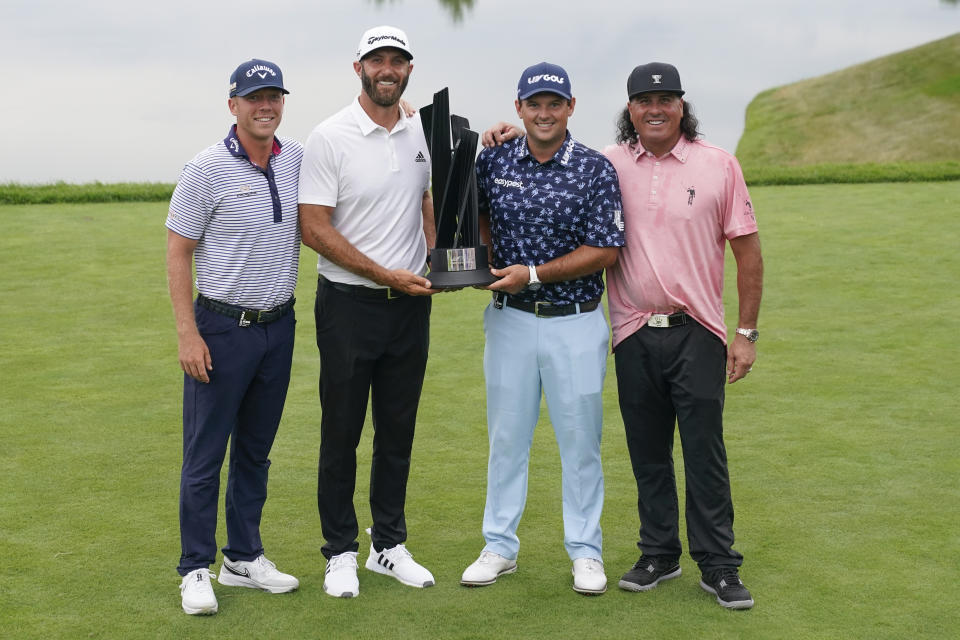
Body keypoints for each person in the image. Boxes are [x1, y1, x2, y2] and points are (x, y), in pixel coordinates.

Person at [460, 62, 625, 595]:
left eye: (555, 104)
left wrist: (531, 274)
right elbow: (473, 216)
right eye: (535, 104)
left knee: (580, 442)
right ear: (519, 109)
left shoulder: (595, 168)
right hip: (509, 323)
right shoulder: (495, 157)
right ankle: (499, 545)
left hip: (574, 324)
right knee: (507, 439)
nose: (545, 113)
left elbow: (605, 250)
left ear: (571, 107)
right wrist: (481, 261)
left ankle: (585, 550)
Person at [604, 62, 763, 609]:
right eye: (644, 100)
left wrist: (745, 332)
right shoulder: (609, 165)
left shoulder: (718, 165)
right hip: (631, 331)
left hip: (698, 331)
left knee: (703, 452)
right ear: (630, 109)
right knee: (647, 452)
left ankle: (718, 564)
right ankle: (658, 553)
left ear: (681, 105)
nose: (655, 108)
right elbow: (551, 152)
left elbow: (748, 253)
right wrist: (500, 134)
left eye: (666, 99)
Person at [298, 25, 437, 599]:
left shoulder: (421, 129)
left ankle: (388, 545)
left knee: (397, 431)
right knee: (342, 431)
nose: (388, 68)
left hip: (409, 308)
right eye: (377, 59)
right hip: (349, 306)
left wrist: (439, 262)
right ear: (359, 67)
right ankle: (339, 552)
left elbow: (431, 196)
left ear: (408, 70)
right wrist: (384, 274)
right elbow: (313, 226)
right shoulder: (330, 135)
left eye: (397, 61)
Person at [166, 58, 301, 615]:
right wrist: (187, 333)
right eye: (253, 98)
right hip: (221, 326)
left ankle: (243, 557)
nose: (264, 106)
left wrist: (407, 113)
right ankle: (195, 568)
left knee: (255, 452)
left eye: (272, 96)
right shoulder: (204, 168)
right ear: (233, 106)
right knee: (205, 455)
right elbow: (178, 251)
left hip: (279, 326)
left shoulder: (294, 157)